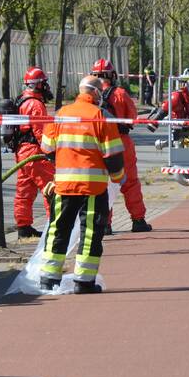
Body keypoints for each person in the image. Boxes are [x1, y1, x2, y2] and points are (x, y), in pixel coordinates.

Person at [38, 76, 125, 294]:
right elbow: (113, 154)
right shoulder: (101, 116)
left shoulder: (60, 114)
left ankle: (48, 279)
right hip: (93, 188)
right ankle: (84, 282)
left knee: (58, 229)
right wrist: (118, 178)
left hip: (64, 185)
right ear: (96, 93)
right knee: (91, 233)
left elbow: (47, 147)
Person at [91, 58, 151, 233]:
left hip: (100, 144)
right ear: (112, 75)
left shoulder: (92, 94)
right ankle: (138, 220)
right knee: (130, 183)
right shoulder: (120, 94)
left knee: (104, 185)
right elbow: (133, 118)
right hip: (122, 142)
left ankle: (105, 224)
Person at [12, 67, 55, 240]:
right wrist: (51, 152)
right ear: (38, 85)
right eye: (44, 83)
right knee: (50, 187)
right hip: (34, 151)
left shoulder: (22, 99)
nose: (47, 87)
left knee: (24, 190)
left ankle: (23, 227)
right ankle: (55, 225)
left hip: (22, 151)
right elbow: (40, 132)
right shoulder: (35, 104)